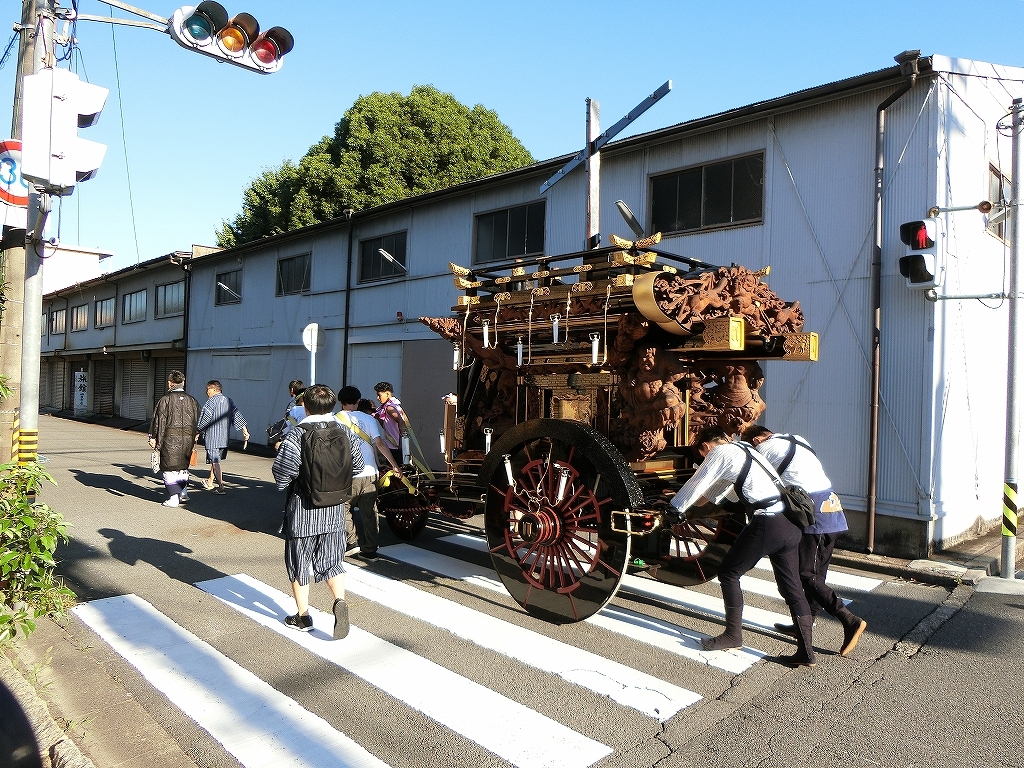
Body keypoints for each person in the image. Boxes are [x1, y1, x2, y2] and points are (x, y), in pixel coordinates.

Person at [667, 425, 816, 667]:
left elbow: (698, 482)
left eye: (703, 456)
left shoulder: (719, 453)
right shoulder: (745, 449)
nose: (705, 460)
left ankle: (733, 635)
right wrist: (690, 508)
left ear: (705, 447)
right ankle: (807, 652)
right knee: (793, 589)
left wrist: (674, 508)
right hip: (790, 523)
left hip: (768, 523)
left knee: (728, 573)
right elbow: (713, 493)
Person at [741, 425, 868, 656]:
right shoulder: (797, 439)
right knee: (816, 575)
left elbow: (754, 480)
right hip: (830, 507)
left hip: (814, 514)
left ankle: (849, 620)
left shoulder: (765, 449)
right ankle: (805, 622)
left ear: (757, 440)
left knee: (806, 575)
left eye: (751, 445)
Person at [272, 383, 364, 640]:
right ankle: (339, 600)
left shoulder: (297, 434)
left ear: (306, 407)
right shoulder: (344, 431)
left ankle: (303, 616)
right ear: (332, 405)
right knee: (332, 561)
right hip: (334, 509)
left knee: (299, 562)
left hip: (304, 509)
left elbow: (282, 475)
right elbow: (357, 466)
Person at [337, 386, 403, 561]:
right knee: (369, 512)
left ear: (340, 401)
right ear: (358, 401)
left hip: (346, 474)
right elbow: (379, 443)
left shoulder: (334, 420)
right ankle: (370, 550)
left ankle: (352, 542)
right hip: (369, 473)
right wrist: (394, 465)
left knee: (343, 508)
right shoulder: (368, 419)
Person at [149, 370, 199, 508]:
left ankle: (173, 498)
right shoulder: (192, 400)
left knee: (169, 467)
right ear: (183, 382)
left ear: (170, 383)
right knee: (182, 467)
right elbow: (198, 421)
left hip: (169, 440)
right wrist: (196, 435)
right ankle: (183, 492)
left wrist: (153, 437)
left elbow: (158, 420)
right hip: (187, 439)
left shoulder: (165, 400)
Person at [196, 380, 250, 495]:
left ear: (214, 389)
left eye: (208, 389)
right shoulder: (228, 400)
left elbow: (205, 420)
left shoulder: (211, 402)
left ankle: (221, 487)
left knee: (215, 461)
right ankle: (210, 482)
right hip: (224, 437)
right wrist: (245, 430)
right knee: (215, 460)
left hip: (212, 437)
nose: (206, 392)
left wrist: (197, 431)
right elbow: (237, 415)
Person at [372, 381, 407, 465]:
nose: (377, 398)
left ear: (387, 394)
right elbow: (386, 426)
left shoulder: (390, 408)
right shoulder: (392, 405)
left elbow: (401, 422)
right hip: (393, 444)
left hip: (395, 446)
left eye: (379, 395)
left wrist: (401, 443)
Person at [273, 380, 305, 452]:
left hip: (294, 436)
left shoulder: (294, 403)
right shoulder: (306, 404)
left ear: (292, 390)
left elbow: (289, 420)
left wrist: (282, 437)